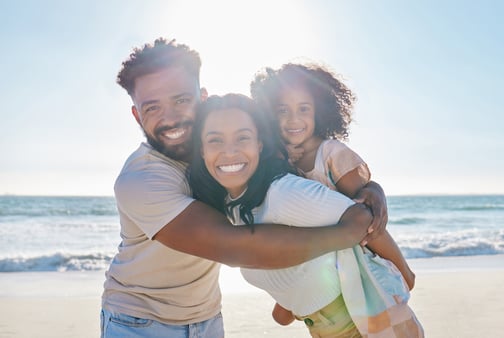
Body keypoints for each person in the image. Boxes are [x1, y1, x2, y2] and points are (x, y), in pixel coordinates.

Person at [101, 38, 384, 338]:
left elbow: (314, 167)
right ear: (136, 115)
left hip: (206, 316)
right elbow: (236, 246)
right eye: (153, 107)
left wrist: (371, 189)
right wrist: (344, 233)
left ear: (203, 98)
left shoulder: (224, 151)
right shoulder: (141, 181)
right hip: (140, 322)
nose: (170, 118)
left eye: (181, 100)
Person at [188, 93, 424, 338]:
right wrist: (290, 305)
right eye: (215, 140)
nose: (230, 151)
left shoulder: (284, 191)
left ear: (259, 144)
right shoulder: (230, 207)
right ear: (202, 150)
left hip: (368, 325)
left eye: (243, 138)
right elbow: (293, 254)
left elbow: (363, 220)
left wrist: (406, 275)